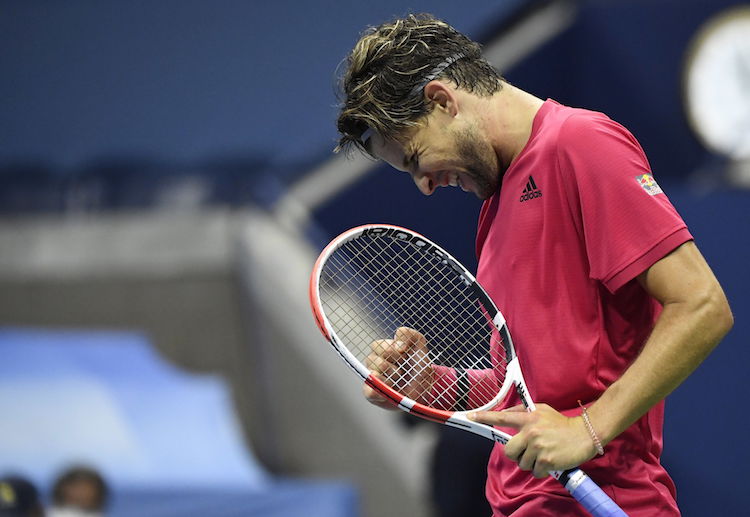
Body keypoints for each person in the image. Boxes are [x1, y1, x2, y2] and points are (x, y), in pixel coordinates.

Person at [334, 13, 733, 517]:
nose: (424, 185)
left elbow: (702, 305)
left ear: (442, 100)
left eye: (415, 159)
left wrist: (588, 429)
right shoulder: (493, 210)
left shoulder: (580, 143)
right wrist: (432, 383)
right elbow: (527, 396)